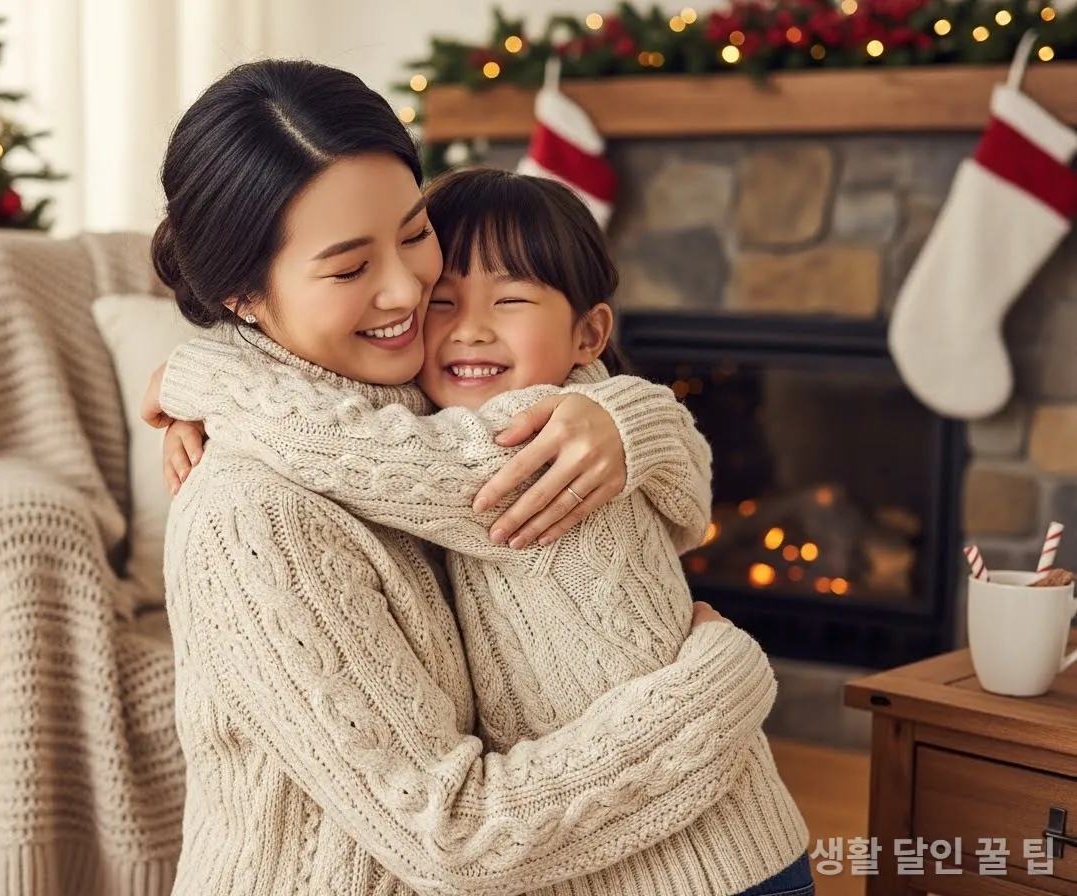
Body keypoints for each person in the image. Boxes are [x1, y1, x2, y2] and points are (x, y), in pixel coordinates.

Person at [148, 57, 800, 895]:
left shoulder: (426, 411)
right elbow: (449, 838)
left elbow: (554, 455)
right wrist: (719, 691)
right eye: (349, 269)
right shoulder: (250, 518)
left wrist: (627, 417)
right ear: (241, 293)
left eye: (416, 234)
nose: (408, 291)